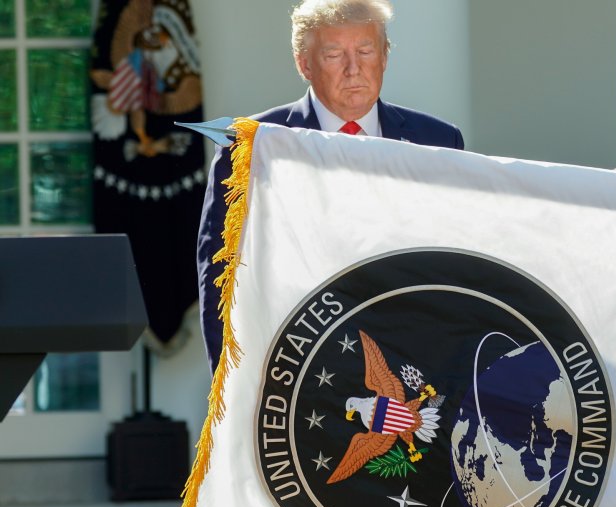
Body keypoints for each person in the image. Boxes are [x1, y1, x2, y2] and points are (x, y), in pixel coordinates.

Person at [197, 0, 464, 373]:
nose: (354, 69)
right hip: (293, 368)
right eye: (335, 54)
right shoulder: (253, 145)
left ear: (385, 56)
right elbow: (219, 273)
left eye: (366, 51)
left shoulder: (437, 140)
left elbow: (456, 267)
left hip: (410, 367)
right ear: (304, 63)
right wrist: (228, 382)